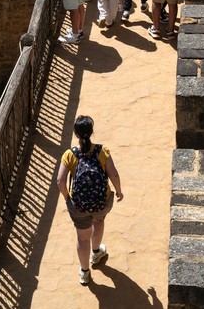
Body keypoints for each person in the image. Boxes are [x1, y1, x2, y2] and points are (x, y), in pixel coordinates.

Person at [56, 115, 124, 286]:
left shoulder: (70, 155)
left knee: (82, 238)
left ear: (76, 134)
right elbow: (113, 174)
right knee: (99, 221)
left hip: (78, 206)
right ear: (92, 132)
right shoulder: (102, 151)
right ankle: (96, 252)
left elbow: (60, 181)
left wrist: (67, 198)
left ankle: (85, 272)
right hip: (101, 202)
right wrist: (119, 191)